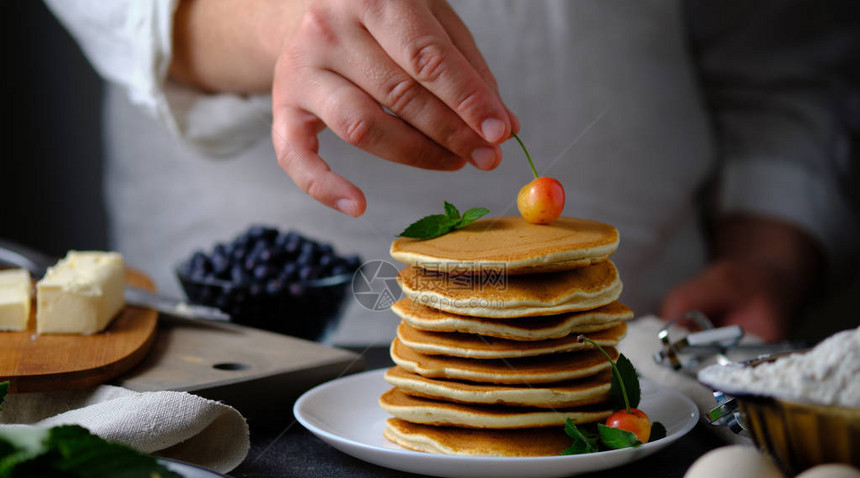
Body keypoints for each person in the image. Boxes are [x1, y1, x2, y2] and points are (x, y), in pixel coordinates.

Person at [43, 0, 858, 346]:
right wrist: (274, 21)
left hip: (645, 342)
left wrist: (768, 248)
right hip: (265, 353)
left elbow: (779, 49)